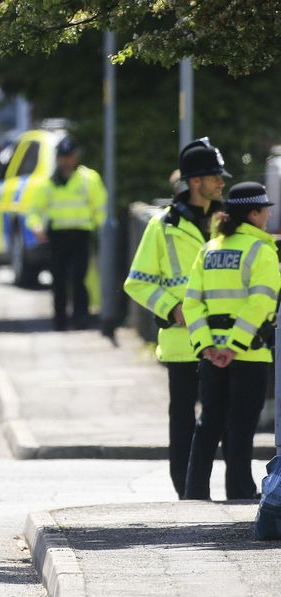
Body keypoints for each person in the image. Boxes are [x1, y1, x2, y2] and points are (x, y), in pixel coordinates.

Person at [124, 137, 229, 499]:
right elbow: (136, 282)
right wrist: (172, 308)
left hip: (224, 339)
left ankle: (232, 493)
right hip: (182, 342)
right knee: (183, 420)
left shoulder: (227, 222)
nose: (222, 182)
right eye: (216, 176)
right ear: (195, 181)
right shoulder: (162, 225)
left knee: (223, 420)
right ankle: (187, 493)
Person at [183, 181, 281, 501]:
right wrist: (235, 346)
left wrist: (207, 346)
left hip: (211, 355)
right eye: (264, 210)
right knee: (240, 425)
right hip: (248, 355)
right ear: (253, 213)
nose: (267, 216)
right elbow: (260, 303)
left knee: (208, 423)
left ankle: (194, 493)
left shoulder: (209, 250)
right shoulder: (260, 250)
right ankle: (238, 492)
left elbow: (192, 303)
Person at [26, 135, 107, 330]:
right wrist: (36, 227)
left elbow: (101, 208)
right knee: (59, 279)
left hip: (81, 235)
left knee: (80, 278)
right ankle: (60, 320)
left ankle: (81, 318)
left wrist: (102, 231)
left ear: (76, 157)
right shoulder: (48, 183)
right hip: (57, 236)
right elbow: (34, 211)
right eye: (63, 156)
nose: (66, 160)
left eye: (70, 156)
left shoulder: (89, 179)